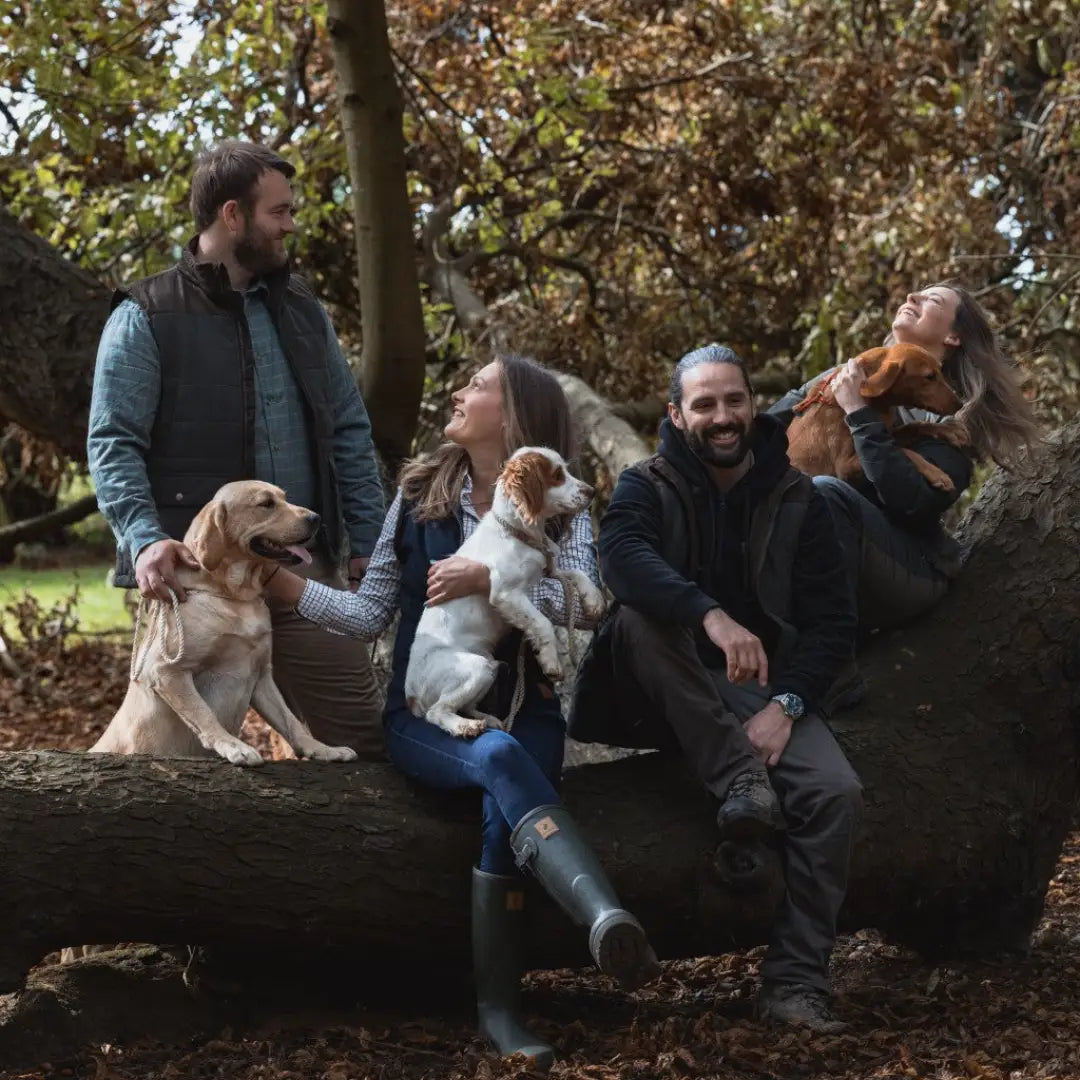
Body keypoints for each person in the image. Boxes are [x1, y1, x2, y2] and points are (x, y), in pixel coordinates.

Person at [263, 353, 659, 1071]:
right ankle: (602, 915)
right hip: (426, 715)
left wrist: (490, 577)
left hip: (527, 708)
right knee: (498, 759)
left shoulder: (559, 500)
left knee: (498, 804)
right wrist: (287, 588)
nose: (457, 391)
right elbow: (370, 612)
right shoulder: (418, 494)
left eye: (477, 386)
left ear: (513, 417)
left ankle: (501, 1010)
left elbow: (589, 608)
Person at [572, 344, 861, 1032]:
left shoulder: (798, 495)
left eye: (734, 400)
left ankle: (794, 983)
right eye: (705, 404)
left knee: (836, 794)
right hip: (658, 690)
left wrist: (786, 707)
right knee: (639, 616)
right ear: (677, 414)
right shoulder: (648, 482)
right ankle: (741, 781)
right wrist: (710, 613)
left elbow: (832, 621)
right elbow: (623, 562)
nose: (723, 416)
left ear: (753, 405)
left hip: (757, 693)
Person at [87, 140, 386, 759]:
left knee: (359, 740)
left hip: (306, 573)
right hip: (193, 582)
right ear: (232, 216)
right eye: (278, 212)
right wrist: (143, 539)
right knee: (169, 762)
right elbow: (113, 443)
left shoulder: (305, 311)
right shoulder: (145, 314)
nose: (290, 225)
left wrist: (367, 542)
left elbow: (350, 432)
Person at [769, 283, 1041, 631]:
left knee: (824, 493)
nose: (912, 298)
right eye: (915, 293)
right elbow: (767, 427)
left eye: (933, 299)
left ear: (954, 336)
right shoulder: (852, 374)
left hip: (910, 569)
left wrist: (857, 412)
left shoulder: (953, 420)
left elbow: (909, 500)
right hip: (824, 548)